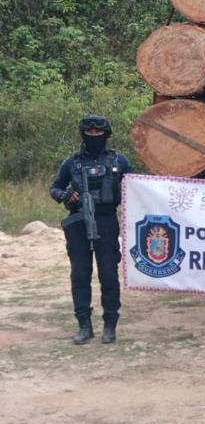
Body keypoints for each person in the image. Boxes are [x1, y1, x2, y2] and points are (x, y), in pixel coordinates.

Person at [49, 115, 131, 345]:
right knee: (80, 275)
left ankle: (110, 325)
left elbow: (136, 186)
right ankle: (84, 325)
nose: (94, 135)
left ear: (106, 134)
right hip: (78, 222)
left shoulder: (118, 161)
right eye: (89, 132)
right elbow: (54, 187)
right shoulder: (71, 163)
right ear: (83, 134)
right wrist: (64, 195)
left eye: (98, 132)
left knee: (109, 274)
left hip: (106, 221)